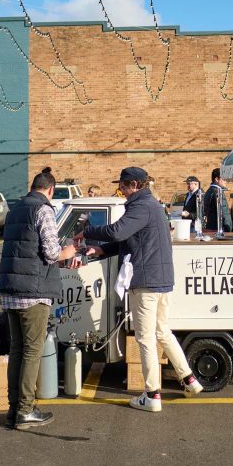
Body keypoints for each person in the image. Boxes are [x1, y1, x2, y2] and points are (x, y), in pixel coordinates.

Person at [80, 167, 203, 412]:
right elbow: (131, 240)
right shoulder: (151, 205)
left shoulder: (140, 206)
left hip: (146, 280)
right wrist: (103, 249)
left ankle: (152, 395)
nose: (121, 190)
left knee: (145, 338)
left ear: (135, 185)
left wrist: (87, 232)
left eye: (124, 186)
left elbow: (117, 231)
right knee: (162, 331)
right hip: (161, 278)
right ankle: (189, 379)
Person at [0, 167, 81, 430]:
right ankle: (25, 410)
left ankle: (14, 409)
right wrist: (71, 250)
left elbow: (27, 249)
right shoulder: (43, 209)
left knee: (17, 350)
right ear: (50, 190)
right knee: (33, 351)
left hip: (11, 288)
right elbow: (51, 251)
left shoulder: (15, 210)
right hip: (34, 292)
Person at [203, 168, 233, 233]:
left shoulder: (209, 191)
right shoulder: (218, 192)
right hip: (218, 229)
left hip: (210, 228)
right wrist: (228, 228)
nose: (226, 181)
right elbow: (224, 212)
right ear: (217, 179)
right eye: (224, 179)